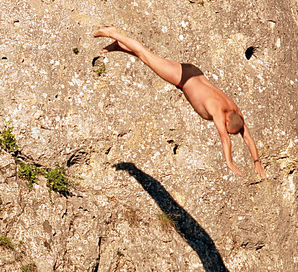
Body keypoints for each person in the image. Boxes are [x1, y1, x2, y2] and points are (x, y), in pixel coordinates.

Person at [94, 26, 267, 179]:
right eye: (226, 127)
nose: (223, 129)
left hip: (194, 72)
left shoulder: (236, 111)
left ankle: (119, 46)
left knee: (148, 59)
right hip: (183, 78)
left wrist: (256, 161)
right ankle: (113, 33)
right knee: (146, 55)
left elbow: (248, 138)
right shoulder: (218, 112)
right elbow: (224, 138)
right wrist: (229, 162)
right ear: (227, 120)